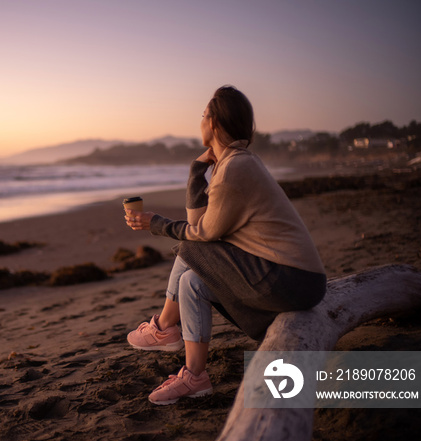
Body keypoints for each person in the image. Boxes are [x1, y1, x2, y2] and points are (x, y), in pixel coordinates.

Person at [124, 85, 327, 405]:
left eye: (203, 115)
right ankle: (195, 376)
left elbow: (202, 233)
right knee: (192, 282)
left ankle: (163, 327)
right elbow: (200, 221)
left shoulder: (236, 168)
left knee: (192, 249)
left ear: (214, 123)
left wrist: (156, 224)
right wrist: (195, 172)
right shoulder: (234, 163)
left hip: (291, 279)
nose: (200, 120)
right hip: (289, 278)